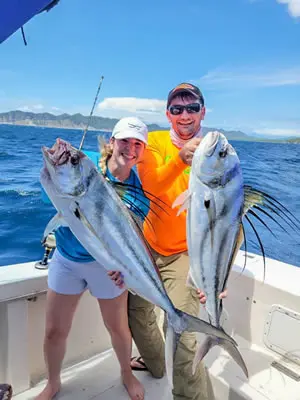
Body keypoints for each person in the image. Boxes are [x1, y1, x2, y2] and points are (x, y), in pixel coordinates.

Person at [36, 117, 150, 400]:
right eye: (124, 140)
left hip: (105, 267)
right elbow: (56, 197)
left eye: (138, 144)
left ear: (143, 151)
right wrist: (56, 170)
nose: (130, 148)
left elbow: (130, 244)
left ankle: (126, 373)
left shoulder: (139, 197)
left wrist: (121, 268)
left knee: (118, 328)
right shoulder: (88, 166)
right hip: (67, 259)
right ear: (112, 142)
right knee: (53, 331)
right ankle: (53, 383)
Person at [127, 83, 222, 400]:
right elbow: (151, 183)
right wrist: (180, 159)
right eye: (177, 108)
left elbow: (229, 216)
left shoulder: (216, 150)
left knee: (182, 337)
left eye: (192, 108)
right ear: (167, 113)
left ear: (202, 112)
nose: (184, 115)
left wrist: (218, 272)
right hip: (149, 244)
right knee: (136, 312)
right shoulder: (151, 142)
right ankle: (155, 364)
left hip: (187, 254)